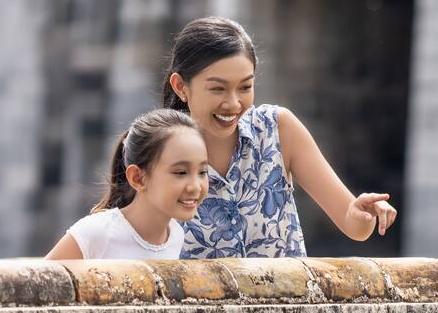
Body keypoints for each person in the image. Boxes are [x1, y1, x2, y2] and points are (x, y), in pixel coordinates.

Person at [162, 16, 397, 257]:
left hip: (292, 294)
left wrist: (364, 215)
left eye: (245, 87)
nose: (233, 103)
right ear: (181, 86)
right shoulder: (159, 151)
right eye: (218, 89)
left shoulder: (277, 128)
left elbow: (352, 224)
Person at [44, 109, 207, 260]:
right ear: (138, 178)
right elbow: (35, 285)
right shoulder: (97, 233)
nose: (196, 187)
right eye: (180, 172)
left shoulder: (178, 236)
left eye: (202, 172)